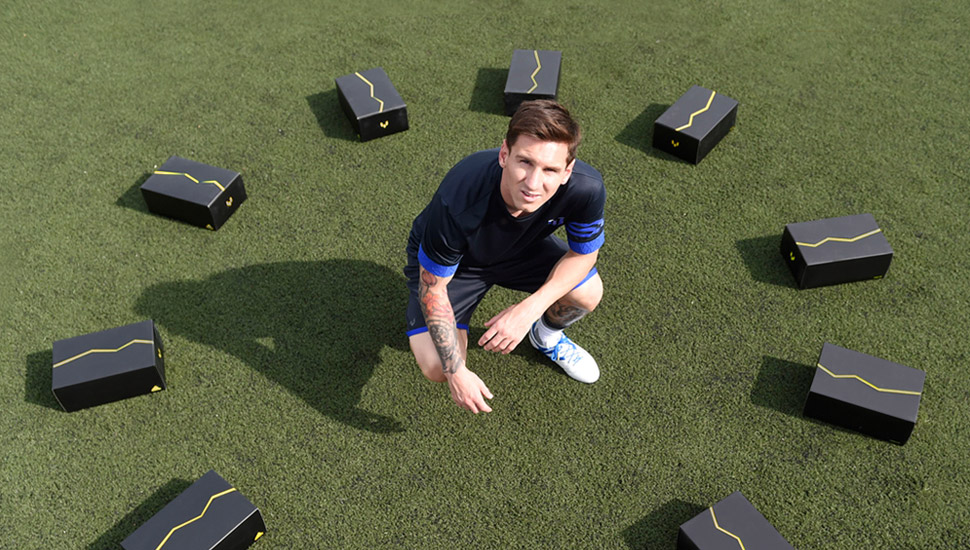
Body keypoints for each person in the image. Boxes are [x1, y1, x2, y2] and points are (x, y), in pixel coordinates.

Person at [404, 100, 605, 414]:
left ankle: (547, 337)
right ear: (504, 155)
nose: (533, 183)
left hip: (522, 250)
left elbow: (584, 255)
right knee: (436, 366)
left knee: (588, 292)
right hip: (460, 266)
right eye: (525, 162)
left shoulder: (586, 189)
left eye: (550, 170)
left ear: (567, 171)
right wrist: (456, 372)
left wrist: (530, 309)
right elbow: (433, 289)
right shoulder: (459, 197)